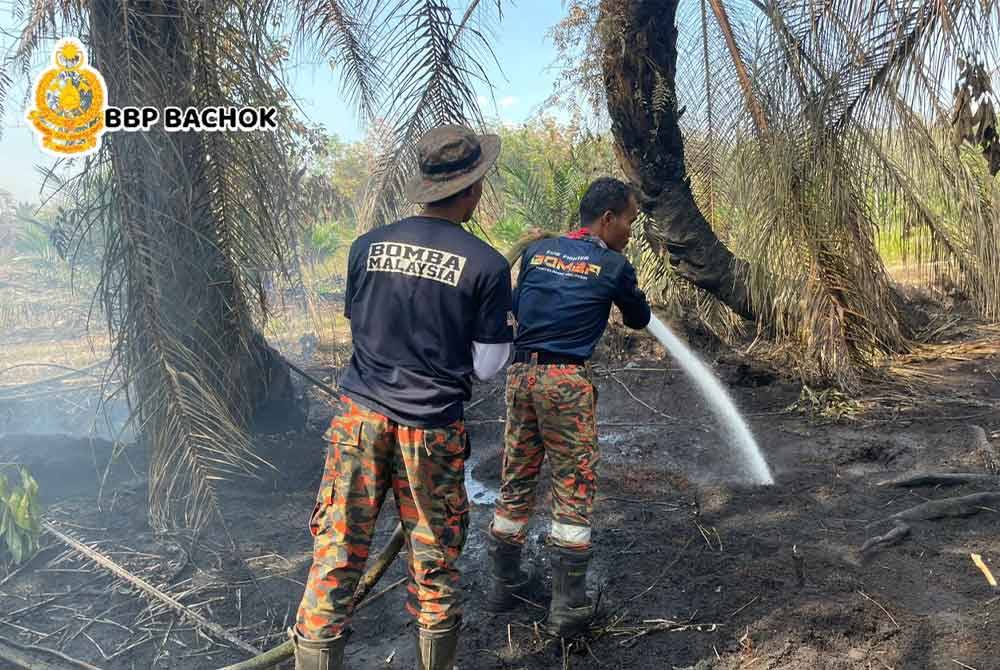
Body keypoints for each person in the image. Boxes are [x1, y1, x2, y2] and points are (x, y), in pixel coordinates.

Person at [292, 124, 515, 670]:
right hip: (431, 430)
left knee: (337, 552)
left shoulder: (365, 247)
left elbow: (361, 325)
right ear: (472, 189)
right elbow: (488, 367)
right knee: (434, 558)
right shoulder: (485, 265)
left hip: (358, 419)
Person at [485, 177, 651, 637]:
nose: (631, 232)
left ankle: (503, 584)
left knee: (516, 475)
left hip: (521, 376)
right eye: (630, 222)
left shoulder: (539, 253)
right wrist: (627, 290)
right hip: (565, 382)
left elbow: (521, 306)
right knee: (574, 483)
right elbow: (638, 319)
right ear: (608, 219)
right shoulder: (613, 264)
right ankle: (567, 608)